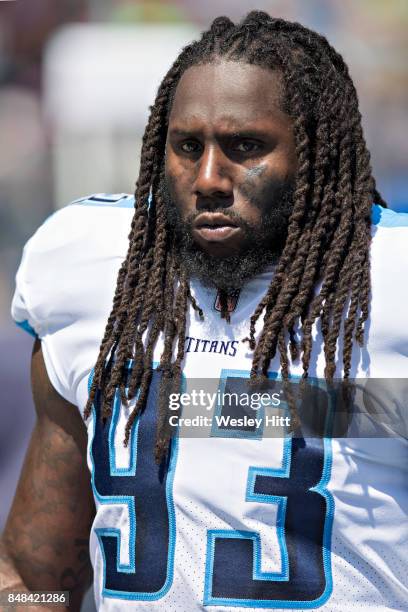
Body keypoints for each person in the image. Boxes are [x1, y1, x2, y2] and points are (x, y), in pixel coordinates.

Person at [1, 11, 407, 611]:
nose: (209, 177)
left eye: (246, 146)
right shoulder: (87, 267)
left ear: (318, 151)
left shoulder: (392, 280)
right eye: (188, 147)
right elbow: (37, 576)